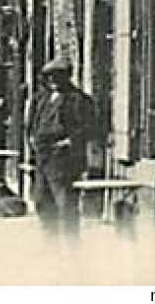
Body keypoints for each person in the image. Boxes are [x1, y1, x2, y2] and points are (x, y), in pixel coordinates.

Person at [27, 55, 94, 236]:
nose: (53, 80)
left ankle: (71, 248)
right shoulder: (41, 99)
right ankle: (51, 245)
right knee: (42, 200)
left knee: (65, 205)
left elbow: (88, 127)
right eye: (50, 76)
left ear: (67, 77)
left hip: (64, 159)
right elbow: (33, 123)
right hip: (43, 156)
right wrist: (32, 140)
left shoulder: (78, 99)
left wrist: (70, 142)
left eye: (58, 76)